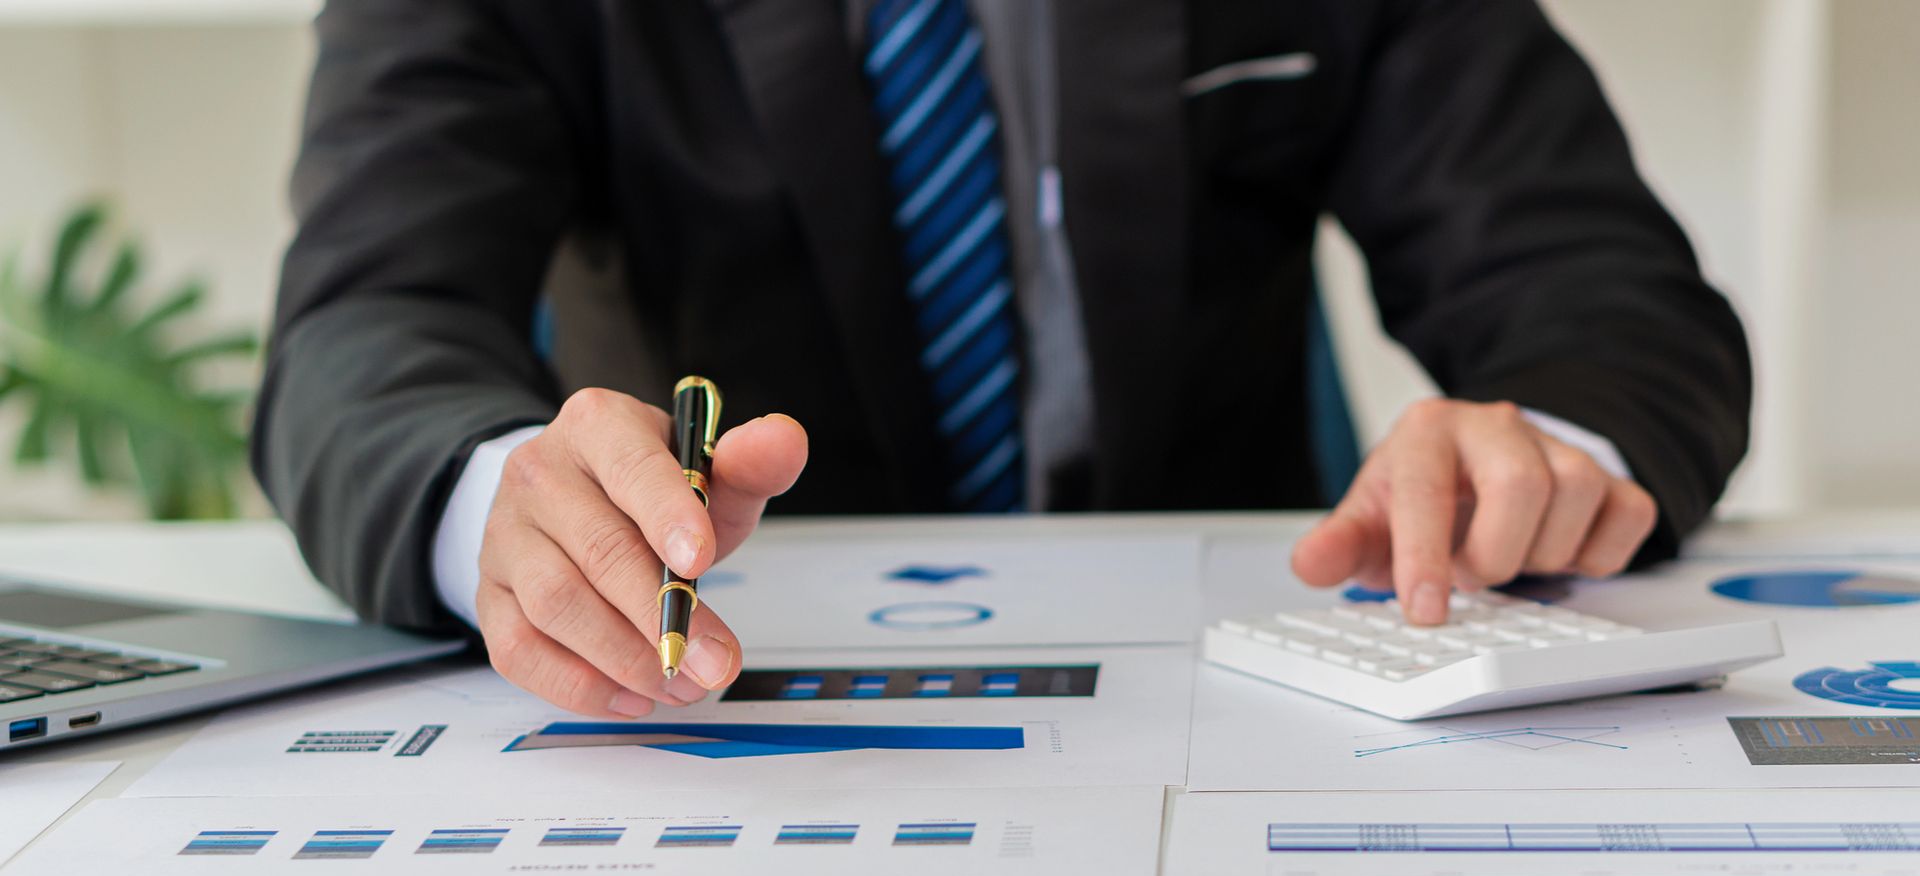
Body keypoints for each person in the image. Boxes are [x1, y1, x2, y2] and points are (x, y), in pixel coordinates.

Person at [255, 0, 1750, 719]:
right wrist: (499, 503)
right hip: (740, 678)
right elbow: (363, 326)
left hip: (1255, 679)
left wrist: (1551, 446)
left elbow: (1596, 283)